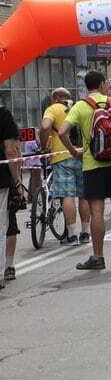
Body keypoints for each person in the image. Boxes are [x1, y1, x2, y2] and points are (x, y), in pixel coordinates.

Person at [58, 71, 111, 270]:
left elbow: (62, 131)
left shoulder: (81, 106)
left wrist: (74, 151)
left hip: (92, 164)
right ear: (102, 84)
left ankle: (98, 257)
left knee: (97, 211)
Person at [39, 88, 92, 245]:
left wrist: (43, 144)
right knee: (83, 196)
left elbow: (44, 127)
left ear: (55, 98)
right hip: (82, 155)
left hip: (62, 156)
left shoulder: (53, 108)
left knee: (67, 195)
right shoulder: (79, 107)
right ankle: (85, 233)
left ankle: (72, 235)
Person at [0, 104, 21, 287]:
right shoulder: (3, 114)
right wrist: (17, 181)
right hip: (0, 179)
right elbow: (11, 150)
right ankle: (3, 269)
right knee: (2, 223)